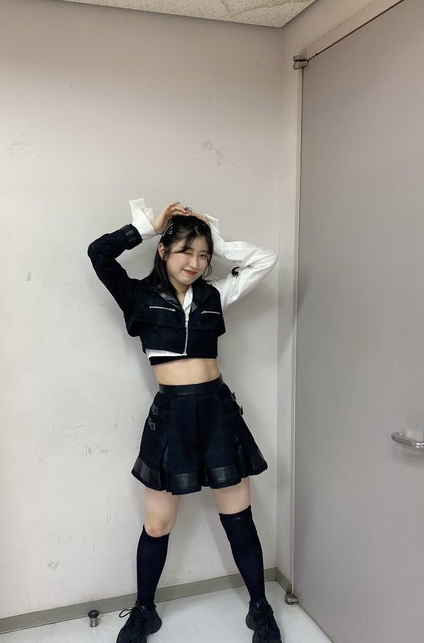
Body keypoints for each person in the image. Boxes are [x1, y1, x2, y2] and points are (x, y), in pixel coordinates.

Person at [87, 198, 280, 643]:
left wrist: (219, 239)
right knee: (157, 524)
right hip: (171, 416)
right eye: (185, 251)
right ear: (164, 251)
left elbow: (265, 260)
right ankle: (145, 612)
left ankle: (260, 608)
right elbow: (99, 253)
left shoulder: (215, 295)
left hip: (217, 412)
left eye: (203, 255)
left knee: (239, 519)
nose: (194, 263)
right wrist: (147, 227)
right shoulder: (138, 296)